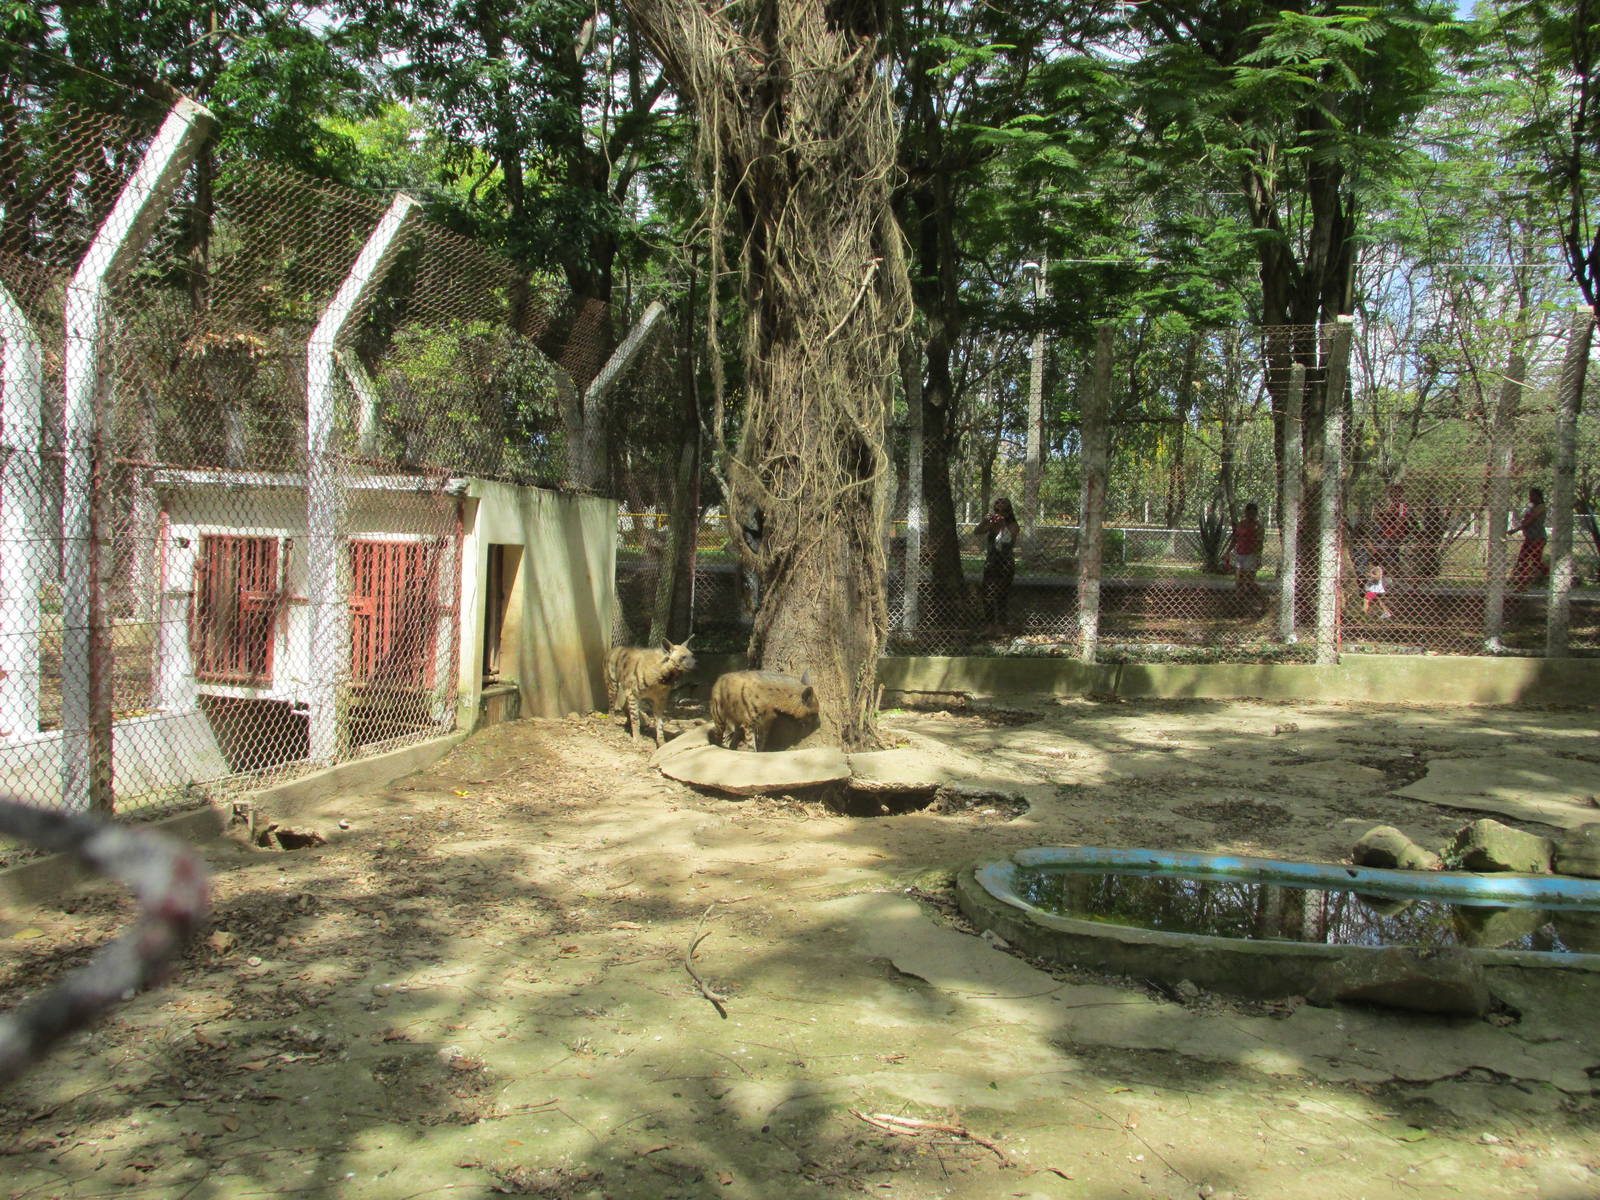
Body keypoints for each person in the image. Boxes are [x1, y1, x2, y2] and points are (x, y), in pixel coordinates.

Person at [976, 497, 1020, 627]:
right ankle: (990, 625)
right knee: (987, 594)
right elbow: (977, 531)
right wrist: (986, 521)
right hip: (991, 562)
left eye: (1003, 503)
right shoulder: (992, 522)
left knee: (1002, 595)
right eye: (997, 503)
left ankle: (1001, 625)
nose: (999, 505)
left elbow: (1007, 540)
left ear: (1009, 510)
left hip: (1006, 563)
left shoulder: (1013, 524)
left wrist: (1002, 525)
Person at [1227, 501, 1266, 613]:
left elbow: (1260, 543)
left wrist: (1258, 557)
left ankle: (1263, 600)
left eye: (1253, 513)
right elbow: (1235, 539)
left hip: (1251, 555)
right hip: (1240, 554)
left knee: (1249, 581)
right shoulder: (1241, 524)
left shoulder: (1258, 526)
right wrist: (1228, 552)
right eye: (1249, 513)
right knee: (1239, 581)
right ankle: (1240, 604)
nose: (1251, 515)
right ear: (1246, 512)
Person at [1509, 486, 1549, 591]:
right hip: (1529, 537)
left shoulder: (1541, 507)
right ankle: (1521, 585)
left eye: (1532, 495)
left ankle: (1550, 575)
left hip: (1538, 538)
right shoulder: (1531, 508)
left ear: (1538, 496)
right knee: (1523, 559)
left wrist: (1515, 530)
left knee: (1535, 561)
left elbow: (1530, 521)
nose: (1530, 498)